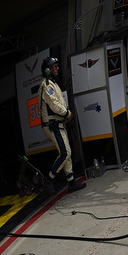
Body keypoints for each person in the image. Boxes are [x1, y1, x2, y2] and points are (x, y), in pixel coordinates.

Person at [38, 57, 86, 194]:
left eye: (57, 66)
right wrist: (67, 114)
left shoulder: (52, 83)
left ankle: (71, 183)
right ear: (47, 70)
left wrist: (65, 115)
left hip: (58, 123)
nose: (57, 68)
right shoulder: (47, 85)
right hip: (52, 125)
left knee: (67, 153)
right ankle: (48, 178)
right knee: (65, 153)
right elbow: (54, 106)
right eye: (54, 67)